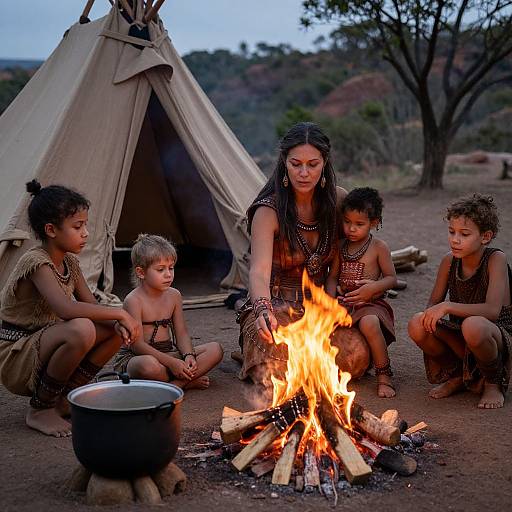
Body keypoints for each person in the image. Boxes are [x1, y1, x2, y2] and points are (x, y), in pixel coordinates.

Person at [0, 180, 140, 437]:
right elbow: (66, 309)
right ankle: (41, 409)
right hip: (16, 355)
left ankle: (65, 399)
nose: (86, 232)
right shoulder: (36, 261)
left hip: (45, 344)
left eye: (85, 224)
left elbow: (91, 306)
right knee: (82, 329)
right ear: (51, 230)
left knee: (112, 331)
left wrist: (120, 323)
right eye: (78, 226)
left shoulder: (70, 263)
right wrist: (120, 312)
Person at [237, 122, 370, 387]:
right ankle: (261, 353)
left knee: (355, 356)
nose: (304, 173)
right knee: (278, 360)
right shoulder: (268, 210)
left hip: (321, 308)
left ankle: (306, 367)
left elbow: (352, 252)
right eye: (296, 164)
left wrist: (367, 284)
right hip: (276, 306)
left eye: (313, 164)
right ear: (284, 163)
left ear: (325, 163)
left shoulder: (338, 201)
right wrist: (263, 309)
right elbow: (259, 271)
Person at [408, 194, 512, 409]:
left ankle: (493, 382)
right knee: (417, 323)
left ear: (485, 236)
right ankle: (456, 375)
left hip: (495, 335)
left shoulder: (495, 260)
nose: (455, 239)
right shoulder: (449, 261)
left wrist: (447, 306)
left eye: (464, 234)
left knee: (473, 324)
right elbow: (432, 306)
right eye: (451, 232)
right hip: (462, 335)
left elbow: (492, 311)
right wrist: (431, 317)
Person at [113, 234, 223, 389]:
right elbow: (137, 345)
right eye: (160, 269)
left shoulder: (174, 296)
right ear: (141, 272)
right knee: (149, 367)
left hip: (169, 353)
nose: (168, 274)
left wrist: (188, 355)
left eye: (171, 268)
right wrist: (172, 363)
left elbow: (181, 333)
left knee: (215, 349)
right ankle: (183, 383)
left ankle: (177, 384)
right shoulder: (134, 300)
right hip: (138, 357)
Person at [326, 187, 397, 398]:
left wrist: (373, 288)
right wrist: (329, 303)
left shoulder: (378, 247)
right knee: (321, 325)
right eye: (347, 222)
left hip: (370, 304)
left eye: (359, 224)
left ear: (373, 223)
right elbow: (331, 278)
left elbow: (391, 279)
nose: (351, 229)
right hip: (344, 302)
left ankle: (384, 374)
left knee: (369, 323)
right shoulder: (340, 246)